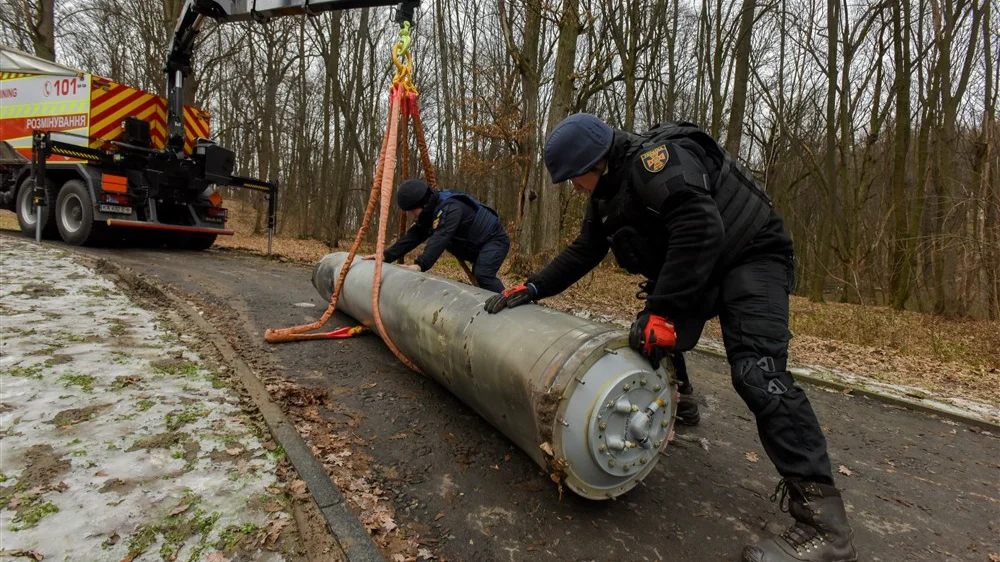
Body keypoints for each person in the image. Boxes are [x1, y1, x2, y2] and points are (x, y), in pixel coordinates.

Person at [483, 113, 857, 562]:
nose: (572, 186)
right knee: (649, 339)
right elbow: (585, 250)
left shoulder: (656, 163)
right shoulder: (605, 193)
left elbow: (701, 228)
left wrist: (663, 310)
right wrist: (534, 286)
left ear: (596, 160)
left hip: (751, 256)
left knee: (757, 373)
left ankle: (824, 525)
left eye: (573, 178)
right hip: (701, 267)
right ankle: (685, 404)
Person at [364, 179, 510, 293]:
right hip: (476, 246)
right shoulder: (430, 213)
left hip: (494, 240)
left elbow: (442, 235)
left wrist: (420, 265)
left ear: (421, 203)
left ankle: (511, 307)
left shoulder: (451, 207)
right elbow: (413, 236)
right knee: (480, 278)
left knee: (483, 274)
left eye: (412, 210)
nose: (411, 215)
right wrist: (386, 256)